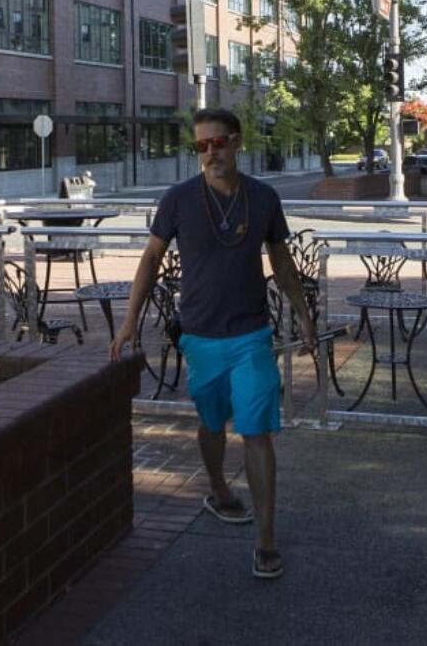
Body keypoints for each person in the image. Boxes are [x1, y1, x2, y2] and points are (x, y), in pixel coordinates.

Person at [109, 107, 315, 579]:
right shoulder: (178, 200)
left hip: (251, 335)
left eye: (217, 143)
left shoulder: (263, 199)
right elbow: (150, 261)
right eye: (201, 146)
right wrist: (128, 323)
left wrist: (302, 315)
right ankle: (219, 489)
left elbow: (282, 265)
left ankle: (265, 539)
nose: (210, 153)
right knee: (210, 423)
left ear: (237, 142)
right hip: (199, 337)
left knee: (257, 432)